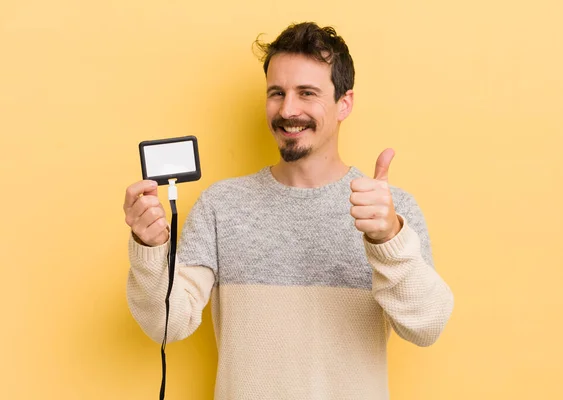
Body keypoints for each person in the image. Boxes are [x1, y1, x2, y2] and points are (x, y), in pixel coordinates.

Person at [123, 22, 454, 399]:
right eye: (276, 93)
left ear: (344, 103)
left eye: (307, 93)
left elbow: (428, 326)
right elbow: (168, 324)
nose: (288, 109)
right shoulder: (221, 206)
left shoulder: (388, 211)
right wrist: (148, 248)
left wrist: (389, 240)